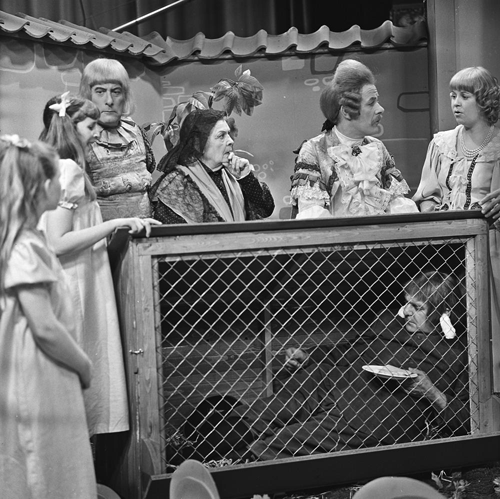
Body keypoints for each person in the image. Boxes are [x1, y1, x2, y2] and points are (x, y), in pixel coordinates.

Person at [233, 271, 469, 460]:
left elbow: (471, 420)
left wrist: (432, 393)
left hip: (372, 416)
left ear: (444, 311)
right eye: (407, 303)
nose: (406, 312)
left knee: (282, 443)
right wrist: (309, 355)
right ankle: (218, 431)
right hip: (334, 384)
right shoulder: (388, 321)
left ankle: (239, 466)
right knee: (255, 415)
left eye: (417, 307)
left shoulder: (458, 354)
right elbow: (349, 350)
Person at [38, 92, 160, 438]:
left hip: (72, 278)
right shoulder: (68, 171)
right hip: (75, 281)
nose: (95, 133)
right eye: (90, 126)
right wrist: (115, 224)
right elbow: (56, 241)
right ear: (71, 126)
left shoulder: (50, 167)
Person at [0, 135, 96, 498]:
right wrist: (83, 364)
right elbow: (43, 327)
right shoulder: (24, 248)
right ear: (41, 188)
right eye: (57, 177)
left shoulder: (30, 239)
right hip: (39, 374)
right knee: (43, 464)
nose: (62, 183)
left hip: (46, 372)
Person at [412, 66, 500, 387]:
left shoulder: (498, 144)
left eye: (465, 96)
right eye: (452, 96)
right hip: (446, 251)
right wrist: (433, 214)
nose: (456, 103)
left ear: (485, 100)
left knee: (488, 325)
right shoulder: (442, 143)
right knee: (449, 325)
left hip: (490, 249)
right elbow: (426, 194)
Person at [290, 59, 416, 219]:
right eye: (371, 103)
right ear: (346, 112)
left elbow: (397, 205)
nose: (380, 109)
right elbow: (312, 217)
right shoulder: (314, 149)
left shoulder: (377, 147)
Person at [150, 108, 275, 223]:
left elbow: (265, 210)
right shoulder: (177, 183)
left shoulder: (233, 173)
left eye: (228, 134)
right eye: (221, 136)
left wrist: (246, 178)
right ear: (199, 144)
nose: (231, 141)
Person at [79, 58, 156, 221]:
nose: (109, 101)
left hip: (145, 229)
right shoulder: (80, 136)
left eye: (116, 91)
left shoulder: (136, 131)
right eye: (100, 91)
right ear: (88, 95)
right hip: (101, 231)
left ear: (125, 95)